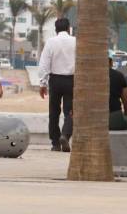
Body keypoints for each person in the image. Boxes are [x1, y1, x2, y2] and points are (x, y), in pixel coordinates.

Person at [38, 18, 76, 152]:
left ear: (56, 29)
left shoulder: (51, 42)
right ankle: (65, 135)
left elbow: (44, 64)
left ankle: (55, 143)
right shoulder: (75, 41)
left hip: (55, 80)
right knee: (70, 111)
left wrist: (42, 83)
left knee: (53, 112)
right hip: (71, 80)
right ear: (69, 28)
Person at [109, 56, 127, 130]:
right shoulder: (119, 76)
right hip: (114, 117)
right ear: (111, 63)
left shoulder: (89, 77)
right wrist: (126, 115)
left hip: (92, 119)